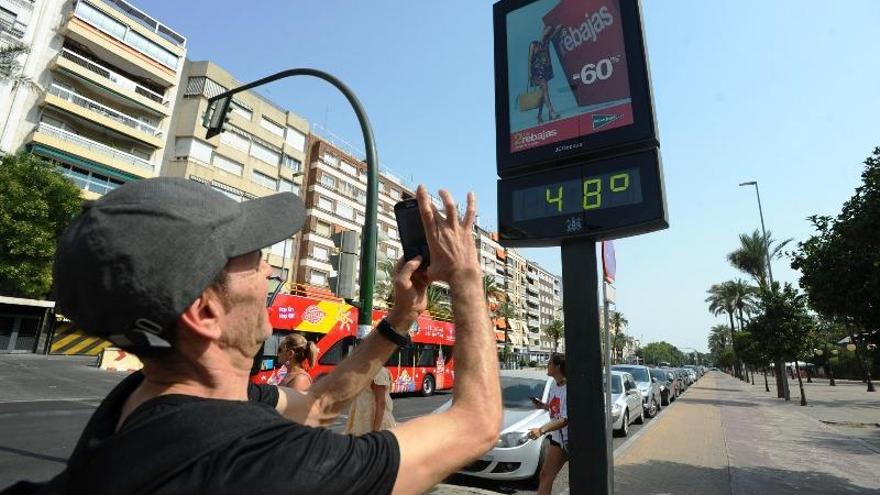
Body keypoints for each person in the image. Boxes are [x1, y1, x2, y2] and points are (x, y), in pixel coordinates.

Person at [2, 178, 501, 495]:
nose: (267, 269)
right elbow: (475, 424)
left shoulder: (138, 403)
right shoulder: (264, 466)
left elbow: (321, 405)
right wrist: (466, 278)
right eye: (253, 258)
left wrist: (400, 319)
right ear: (205, 310)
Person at [528, 353, 568, 495]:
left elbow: (565, 419)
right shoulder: (553, 384)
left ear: (557, 367)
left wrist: (541, 430)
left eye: (550, 363)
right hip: (559, 439)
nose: (547, 365)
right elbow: (557, 409)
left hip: (574, 440)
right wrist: (544, 406)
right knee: (545, 475)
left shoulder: (569, 388)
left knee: (581, 480)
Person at [345, 366, 396, 435]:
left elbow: (381, 402)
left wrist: (375, 432)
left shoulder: (378, 372)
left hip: (373, 425)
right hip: (360, 421)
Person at [528, 24, 562, 123]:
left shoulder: (547, 42)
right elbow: (530, 59)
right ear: (542, 31)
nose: (546, 34)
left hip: (544, 71)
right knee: (544, 89)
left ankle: (539, 116)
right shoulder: (533, 44)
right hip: (535, 72)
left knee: (543, 93)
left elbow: (553, 35)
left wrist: (557, 28)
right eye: (546, 31)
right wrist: (529, 72)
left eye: (548, 32)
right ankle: (552, 112)